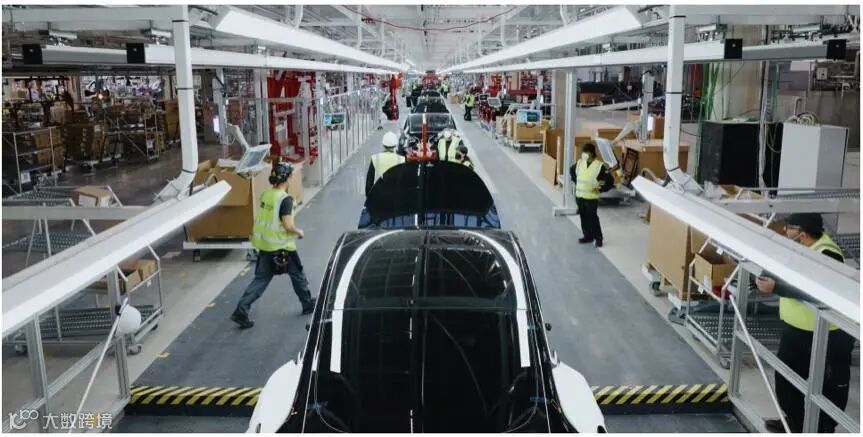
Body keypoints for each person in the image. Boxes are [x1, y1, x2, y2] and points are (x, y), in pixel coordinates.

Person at [756, 213, 855, 433]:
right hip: (798, 329)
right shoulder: (797, 246)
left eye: (789, 227)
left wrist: (776, 288)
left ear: (802, 233)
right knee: (786, 378)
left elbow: (818, 292)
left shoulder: (828, 254)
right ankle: (795, 422)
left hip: (830, 333)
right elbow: (777, 265)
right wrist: (764, 276)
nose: (785, 231)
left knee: (830, 385)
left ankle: (823, 429)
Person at [231, 163, 315, 329]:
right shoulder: (285, 200)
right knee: (298, 275)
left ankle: (241, 310)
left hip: (266, 245)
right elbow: (287, 225)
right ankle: (307, 304)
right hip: (282, 247)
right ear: (287, 178)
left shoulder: (266, 194)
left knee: (261, 280)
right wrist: (299, 232)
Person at [569, 143, 612, 247]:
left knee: (592, 218)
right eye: (583, 152)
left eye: (586, 152)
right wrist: (577, 181)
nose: (583, 154)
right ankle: (587, 236)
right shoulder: (580, 163)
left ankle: (598, 238)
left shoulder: (599, 166)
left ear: (591, 153)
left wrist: (600, 188)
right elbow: (572, 171)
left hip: (591, 198)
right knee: (583, 217)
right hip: (579, 196)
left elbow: (609, 180)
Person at [366, 131, 405, 196]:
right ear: (395, 145)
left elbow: (369, 183)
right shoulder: (401, 159)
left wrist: (369, 198)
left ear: (383, 145)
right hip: (395, 196)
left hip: (379, 195)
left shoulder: (375, 158)